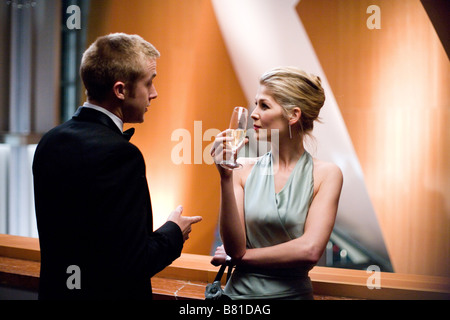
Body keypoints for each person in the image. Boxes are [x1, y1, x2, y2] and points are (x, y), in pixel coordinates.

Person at [33, 33, 202, 300]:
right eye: (149, 83)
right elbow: (132, 264)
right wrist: (174, 231)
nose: (155, 94)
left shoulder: (49, 141)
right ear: (121, 90)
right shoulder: (121, 155)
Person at [210, 67, 343, 300]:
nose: (253, 113)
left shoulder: (327, 174)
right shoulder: (240, 169)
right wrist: (224, 177)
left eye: (264, 105)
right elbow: (234, 247)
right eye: (255, 104)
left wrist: (242, 258)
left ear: (293, 115)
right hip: (237, 300)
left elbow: (310, 250)